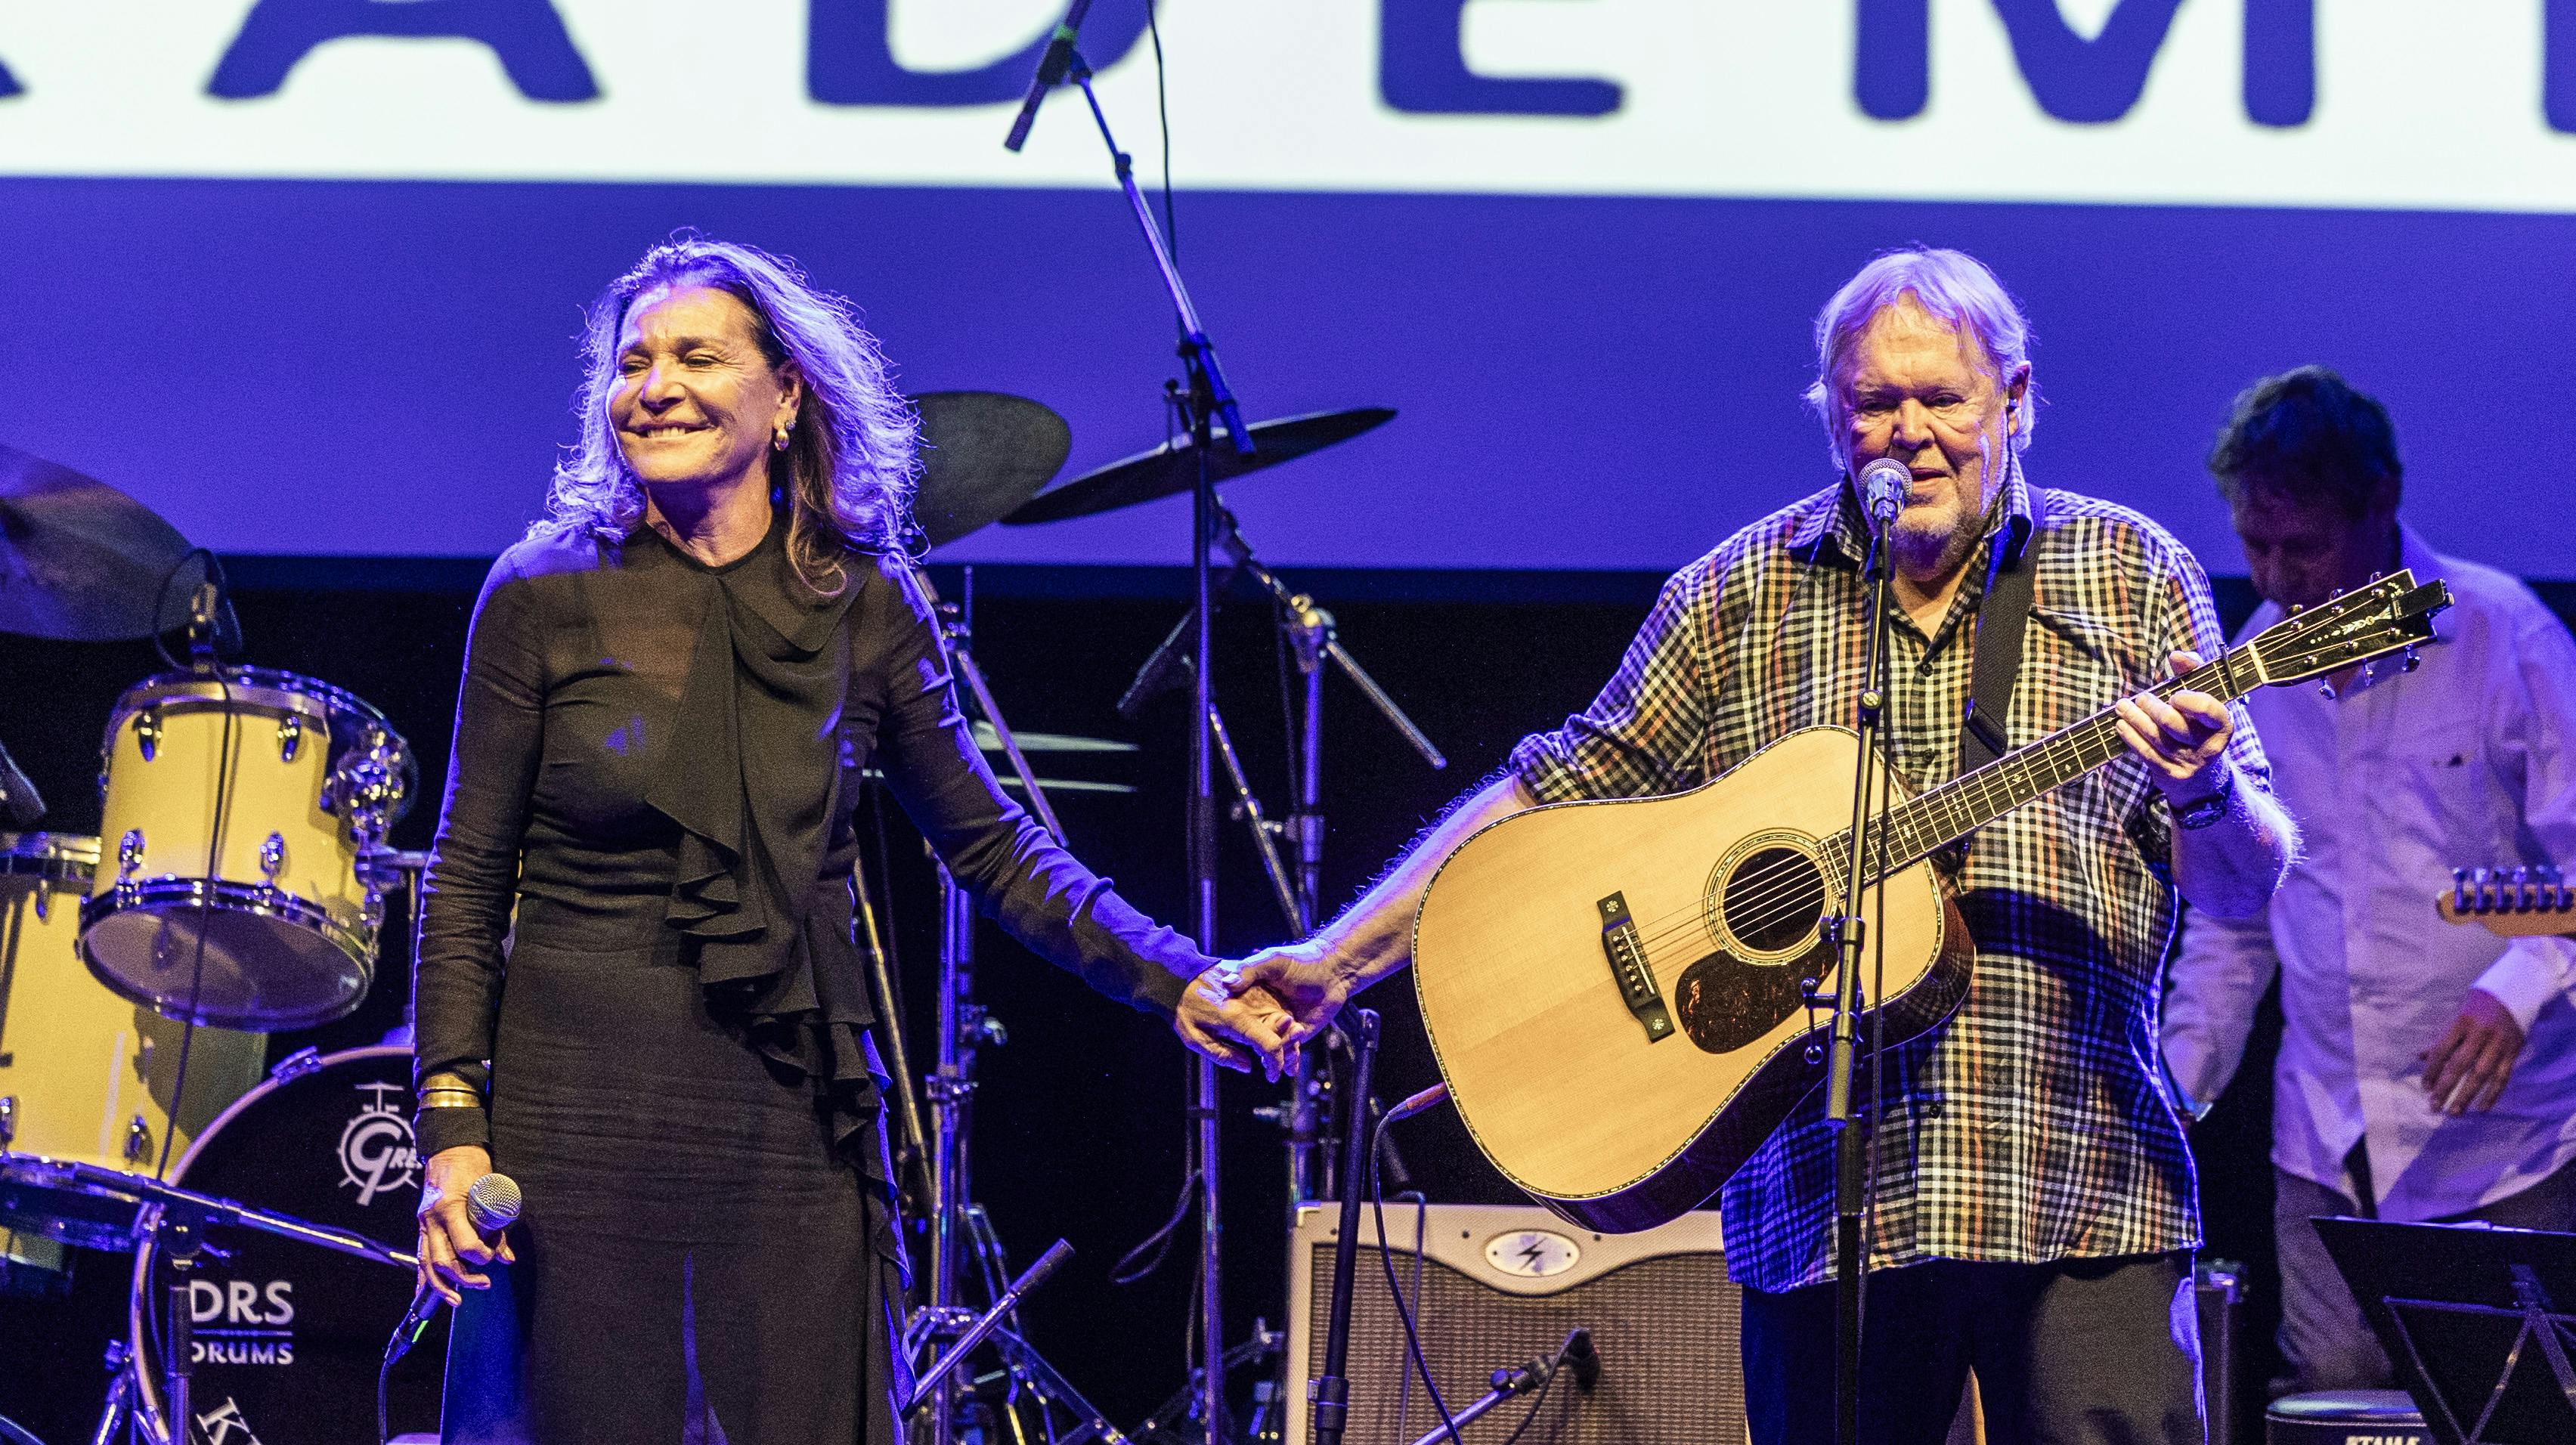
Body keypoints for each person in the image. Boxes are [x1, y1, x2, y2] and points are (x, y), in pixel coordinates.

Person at [1226, 248, 2297, 1444]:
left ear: (2017, 399)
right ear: (1831, 417)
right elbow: (1549, 792)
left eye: (1943, 399)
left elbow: (2248, 883)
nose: (1910, 434)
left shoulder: (2131, 572)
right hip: (1821, 1202)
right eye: (1873, 404)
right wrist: (1331, 963)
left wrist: (2205, 788)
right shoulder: (1737, 594)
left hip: (2078, 1184)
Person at [410, 236, 1296, 1444]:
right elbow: (464, 881)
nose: (653, 385)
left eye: (696, 356)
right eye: (632, 363)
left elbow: (995, 850)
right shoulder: (540, 591)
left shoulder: (864, 599)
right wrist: (453, 1130)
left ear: (786, 399)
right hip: (577, 1116)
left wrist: (1177, 976)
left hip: (787, 1108)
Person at [2162, 367, 2576, 1395]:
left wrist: (2517, 991)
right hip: (2326, 1146)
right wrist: (2173, 1091)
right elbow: (2236, 921)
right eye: (2256, 547)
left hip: (2505, 1151)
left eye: (2305, 546)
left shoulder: (2505, 635)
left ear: (2380, 504)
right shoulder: (2254, 667)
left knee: (2514, 1419)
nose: (2279, 578)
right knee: (2329, 1422)